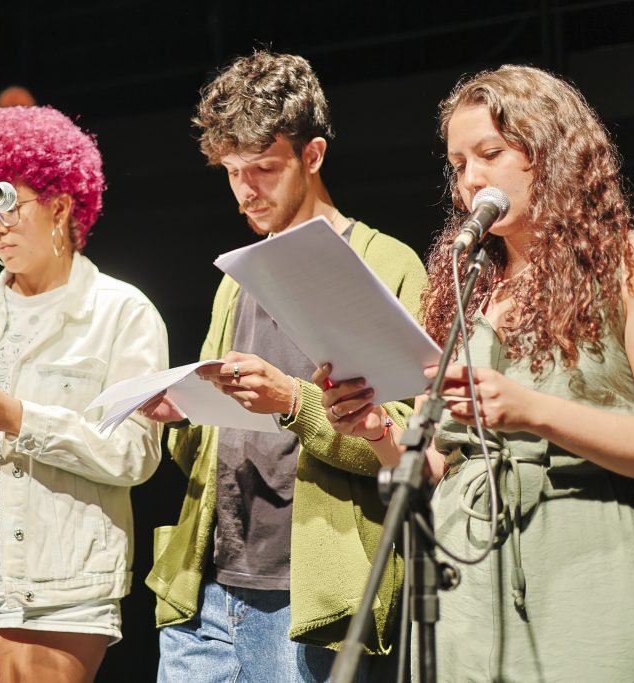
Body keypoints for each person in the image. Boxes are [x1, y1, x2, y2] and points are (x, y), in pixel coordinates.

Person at [317, 65, 634, 681]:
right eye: (458, 164)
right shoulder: (467, 288)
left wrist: (534, 411)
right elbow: (439, 464)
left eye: (491, 153)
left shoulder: (633, 262)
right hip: (469, 578)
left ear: (553, 152)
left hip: (591, 564)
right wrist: (377, 430)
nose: (472, 179)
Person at [142, 50, 426, 681]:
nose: (247, 190)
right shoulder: (237, 278)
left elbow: (408, 445)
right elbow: (205, 453)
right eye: (233, 171)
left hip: (307, 593)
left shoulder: (388, 264)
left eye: (265, 168)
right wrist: (182, 410)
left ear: (314, 155)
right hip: (205, 591)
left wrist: (294, 402)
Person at [0, 105, 169, 683]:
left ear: (63, 205)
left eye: (10, 204)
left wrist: (18, 418)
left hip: (57, 585)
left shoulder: (122, 313)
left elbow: (135, 455)